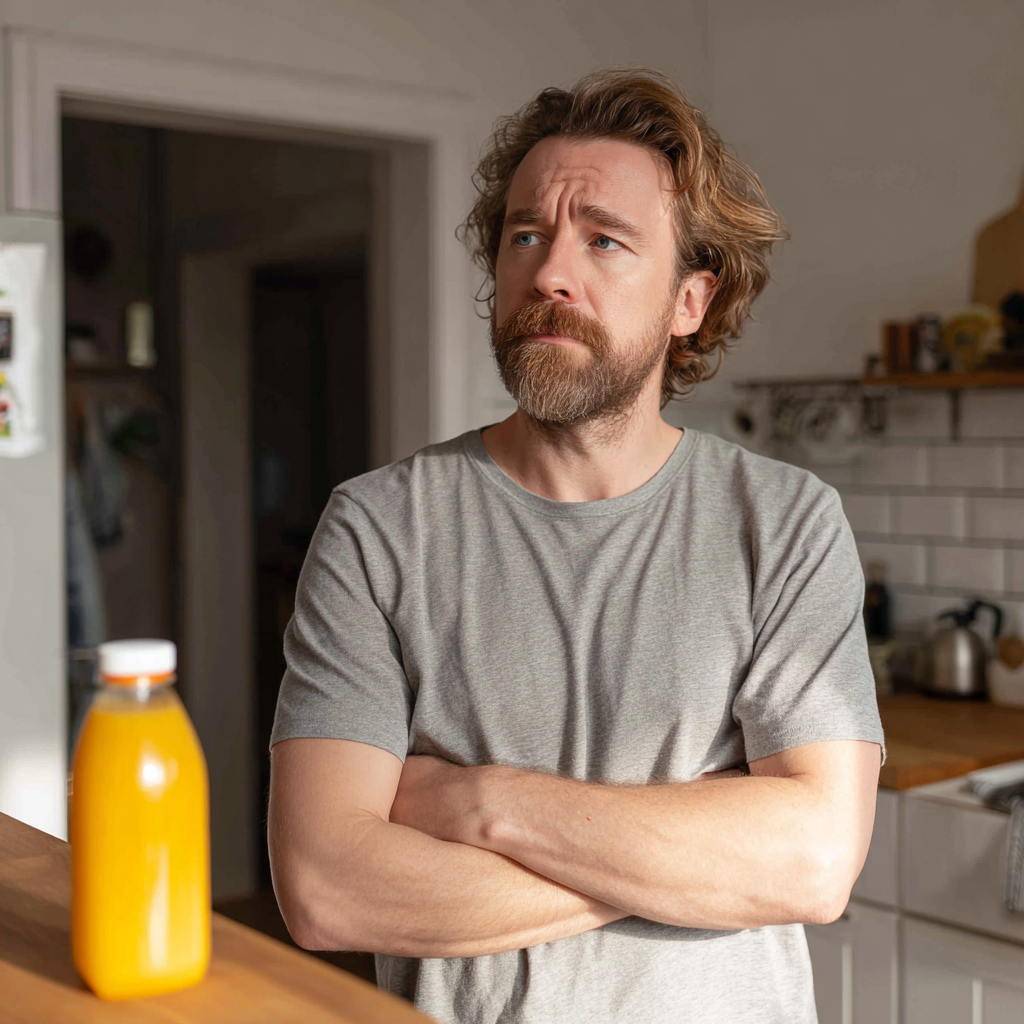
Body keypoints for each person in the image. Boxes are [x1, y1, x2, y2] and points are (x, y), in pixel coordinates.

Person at [268, 67, 884, 1024]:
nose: (550, 273)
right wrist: (692, 858)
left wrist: (479, 804)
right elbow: (325, 888)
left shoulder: (785, 522)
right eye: (526, 235)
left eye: (605, 240)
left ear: (689, 301)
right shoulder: (379, 528)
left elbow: (812, 864)